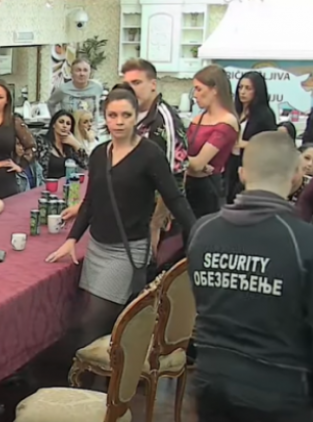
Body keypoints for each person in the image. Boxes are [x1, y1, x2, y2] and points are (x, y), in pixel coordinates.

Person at [187, 131, 313, 422]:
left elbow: (204, 303)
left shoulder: (203, 231)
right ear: (296, 176)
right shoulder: (303, 241)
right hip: (280, 392)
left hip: (212, 383)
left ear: (242, 173)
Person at [47, 85, 195, 354]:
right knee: (96, 319)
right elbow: (91, 201)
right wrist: (72, 239)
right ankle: (103, 370)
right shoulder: (99, 154)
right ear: (105, 116)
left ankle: (89, 374)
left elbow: (174, 197)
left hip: (127, 249)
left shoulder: (150, 154)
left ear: (136, 117)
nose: (118, 121)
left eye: (126, 115)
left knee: (91, 321)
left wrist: (197, 232)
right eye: (112, 115)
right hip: (97, 247)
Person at [120, 58, 191, 260]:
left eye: (137, 82)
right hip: (130, 213)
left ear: (153, 84)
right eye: (127, 84)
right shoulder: (130, 115)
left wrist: (156, 225)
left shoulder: (164, 120)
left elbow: (174, 178)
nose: (131, 89)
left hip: (154, 217)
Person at [187, 65, 239, 218]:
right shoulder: (198, 119)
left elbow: (197, 163)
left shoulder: (227, 122)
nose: (195, 95)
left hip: (209, 191)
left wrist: (187, 163)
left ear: (214, 90)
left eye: (199, 89)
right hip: (188, 186)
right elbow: (183, 154)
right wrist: (191, 164)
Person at [225, 71, 277, 203]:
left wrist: (246, 144)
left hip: (251, 165)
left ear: (257, 91)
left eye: (248, 88)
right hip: (231, 162)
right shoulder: (234, 111)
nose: (243, 92)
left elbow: (271, 144)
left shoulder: (265, 115)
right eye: (240, 87)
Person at [35, 109, 89, 180]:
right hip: (47, 184)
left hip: (68, 184)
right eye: (61, 122)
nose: (64, 126)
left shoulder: (70, 147)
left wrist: (76, 144)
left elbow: (87, 165)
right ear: (54, 124)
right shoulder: (42, 142)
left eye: (68, 124)